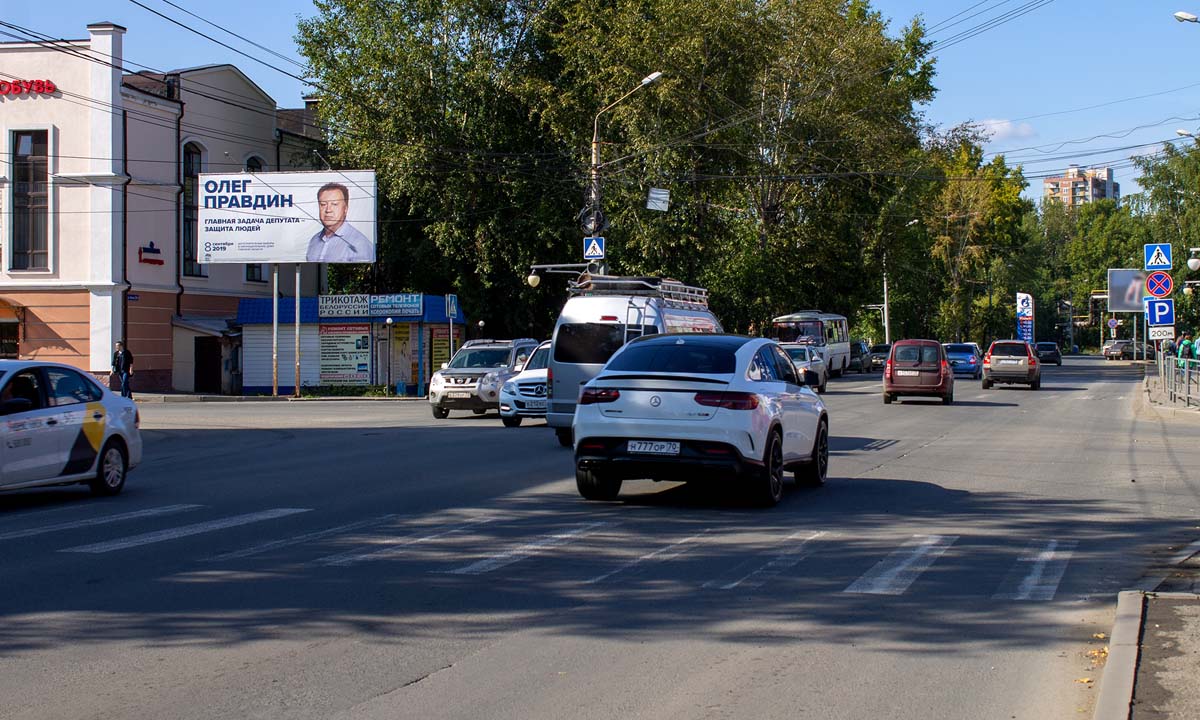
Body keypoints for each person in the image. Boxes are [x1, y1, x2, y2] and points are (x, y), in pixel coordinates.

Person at [305, 182, 373, 262]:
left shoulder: (359, 244)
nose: (328, 210)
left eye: (334, 204)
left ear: (345, 209)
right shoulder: (314, 241)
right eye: (323, 204)